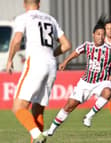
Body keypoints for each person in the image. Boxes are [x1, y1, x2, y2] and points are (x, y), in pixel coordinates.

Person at [43, 17, 111, 137]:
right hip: (85, 82)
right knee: (69, 106)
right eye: (98, 34)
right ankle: (51, 130)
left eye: (102, 34)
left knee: (108, 91)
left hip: (103, 81)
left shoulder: (110, 50)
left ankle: (89, 116)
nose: (100, 36)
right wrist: (65, 62)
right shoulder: (87, 46)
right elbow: (76, 52)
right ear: (93, 35)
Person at [6, 0, 71, 142]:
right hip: (51, 65)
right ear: (39, 3)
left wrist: (10, 59)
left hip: (35, 62)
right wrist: (49, 55)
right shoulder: (51, 19)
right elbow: (66, 45)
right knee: (38, 109)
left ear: (24, 4)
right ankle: (37, 138)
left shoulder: (24, 17)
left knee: (18, 107)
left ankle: (36, 135)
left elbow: (17, 40)